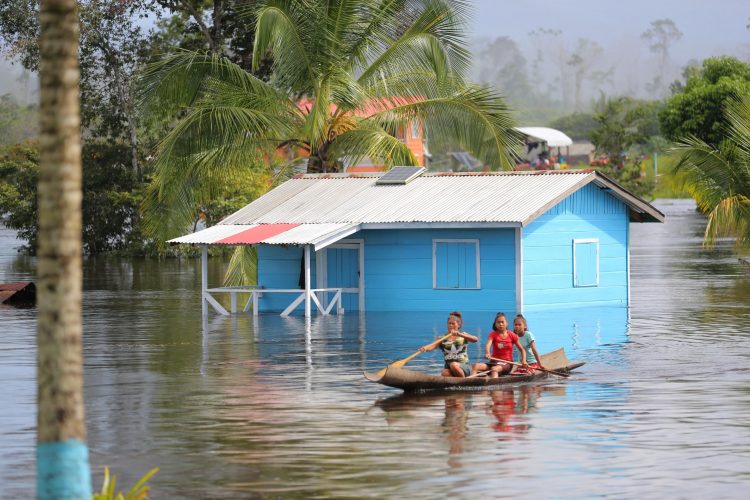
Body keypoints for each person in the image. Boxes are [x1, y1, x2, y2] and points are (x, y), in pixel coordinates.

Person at [419, 311, 478, 377]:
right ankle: (456, 384)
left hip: (464, 366)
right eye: (449, 323)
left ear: (458, 325)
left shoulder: (463, 335)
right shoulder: (441, 338)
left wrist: (460, 334)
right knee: (444, 373)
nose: (450, 325)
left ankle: (464, 382)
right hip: (448, 367)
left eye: (453, 324)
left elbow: (475, 339)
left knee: (454, 365)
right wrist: (425, 348)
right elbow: (432, 346)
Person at [471, 312, 527, 378]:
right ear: (495, 324)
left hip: (507, 363)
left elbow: (522, 350)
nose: (500, 324)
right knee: (475, 366)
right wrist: (487, 353)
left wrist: (524, 360)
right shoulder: (493, 334)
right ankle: (470, 382)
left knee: (494, 369)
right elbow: (488, 345)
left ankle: (494, 387)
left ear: (506, 323)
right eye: (498, 322)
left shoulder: (512, 335)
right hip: (494, 362)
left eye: (502, 322)